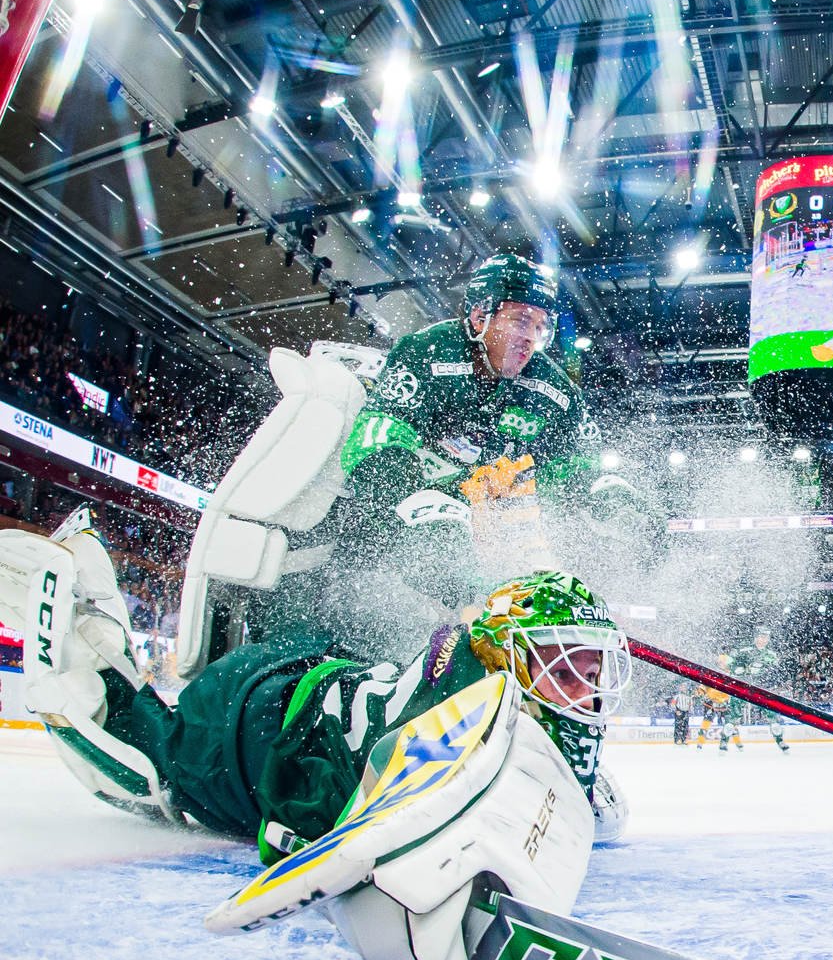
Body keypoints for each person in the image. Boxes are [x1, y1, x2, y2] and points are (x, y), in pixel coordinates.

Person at [0, 516, 631, 960]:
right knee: (157, 776)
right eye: (567, 667)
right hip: (248, 726)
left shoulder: (491, 684)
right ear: (509, 658)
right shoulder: (465, 711)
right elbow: (385, 883)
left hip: (302, 675)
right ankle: (83, 649)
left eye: (593, 667)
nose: (588, 690)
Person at [188, 252, 656, 668]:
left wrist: (619, 504)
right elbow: (377, 441)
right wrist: (418, 510)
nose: (530, 338)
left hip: (486, 538)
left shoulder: (555, 391)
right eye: (519, 320)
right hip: (389, 527)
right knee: (336, 633)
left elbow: (586, 466)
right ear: (479, 317)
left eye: (540, 326)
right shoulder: (425, 355)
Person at [732, 628, 792, 752]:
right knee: (734, 714)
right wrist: (740, 670)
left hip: (762, 688)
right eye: (760, 637)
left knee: (772, 718)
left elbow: (776, 670)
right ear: (755, 638)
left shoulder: (771, 655)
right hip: (745, 687)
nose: (762, 640)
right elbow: (735, 664)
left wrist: (764, 672)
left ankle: (780, 741)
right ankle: (725, 742)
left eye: (765, 638)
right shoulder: (745, 651)